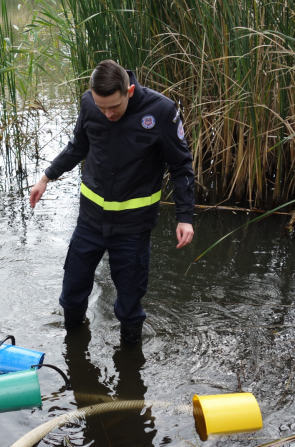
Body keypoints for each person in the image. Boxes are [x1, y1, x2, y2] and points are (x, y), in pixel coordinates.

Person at [29, 60, 195, 343]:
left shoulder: (161, 111)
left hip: (133, 229)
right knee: (70, 296)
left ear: (129, 90)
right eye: (100, 107)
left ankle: (130, 366)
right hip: (90, 223)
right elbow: (77, 147)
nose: (107, 114)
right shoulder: (89, 104)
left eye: (114, 108)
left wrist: (185, 216)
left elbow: (181, 166)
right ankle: (75, 350)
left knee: (129, 308)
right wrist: (46, 176)